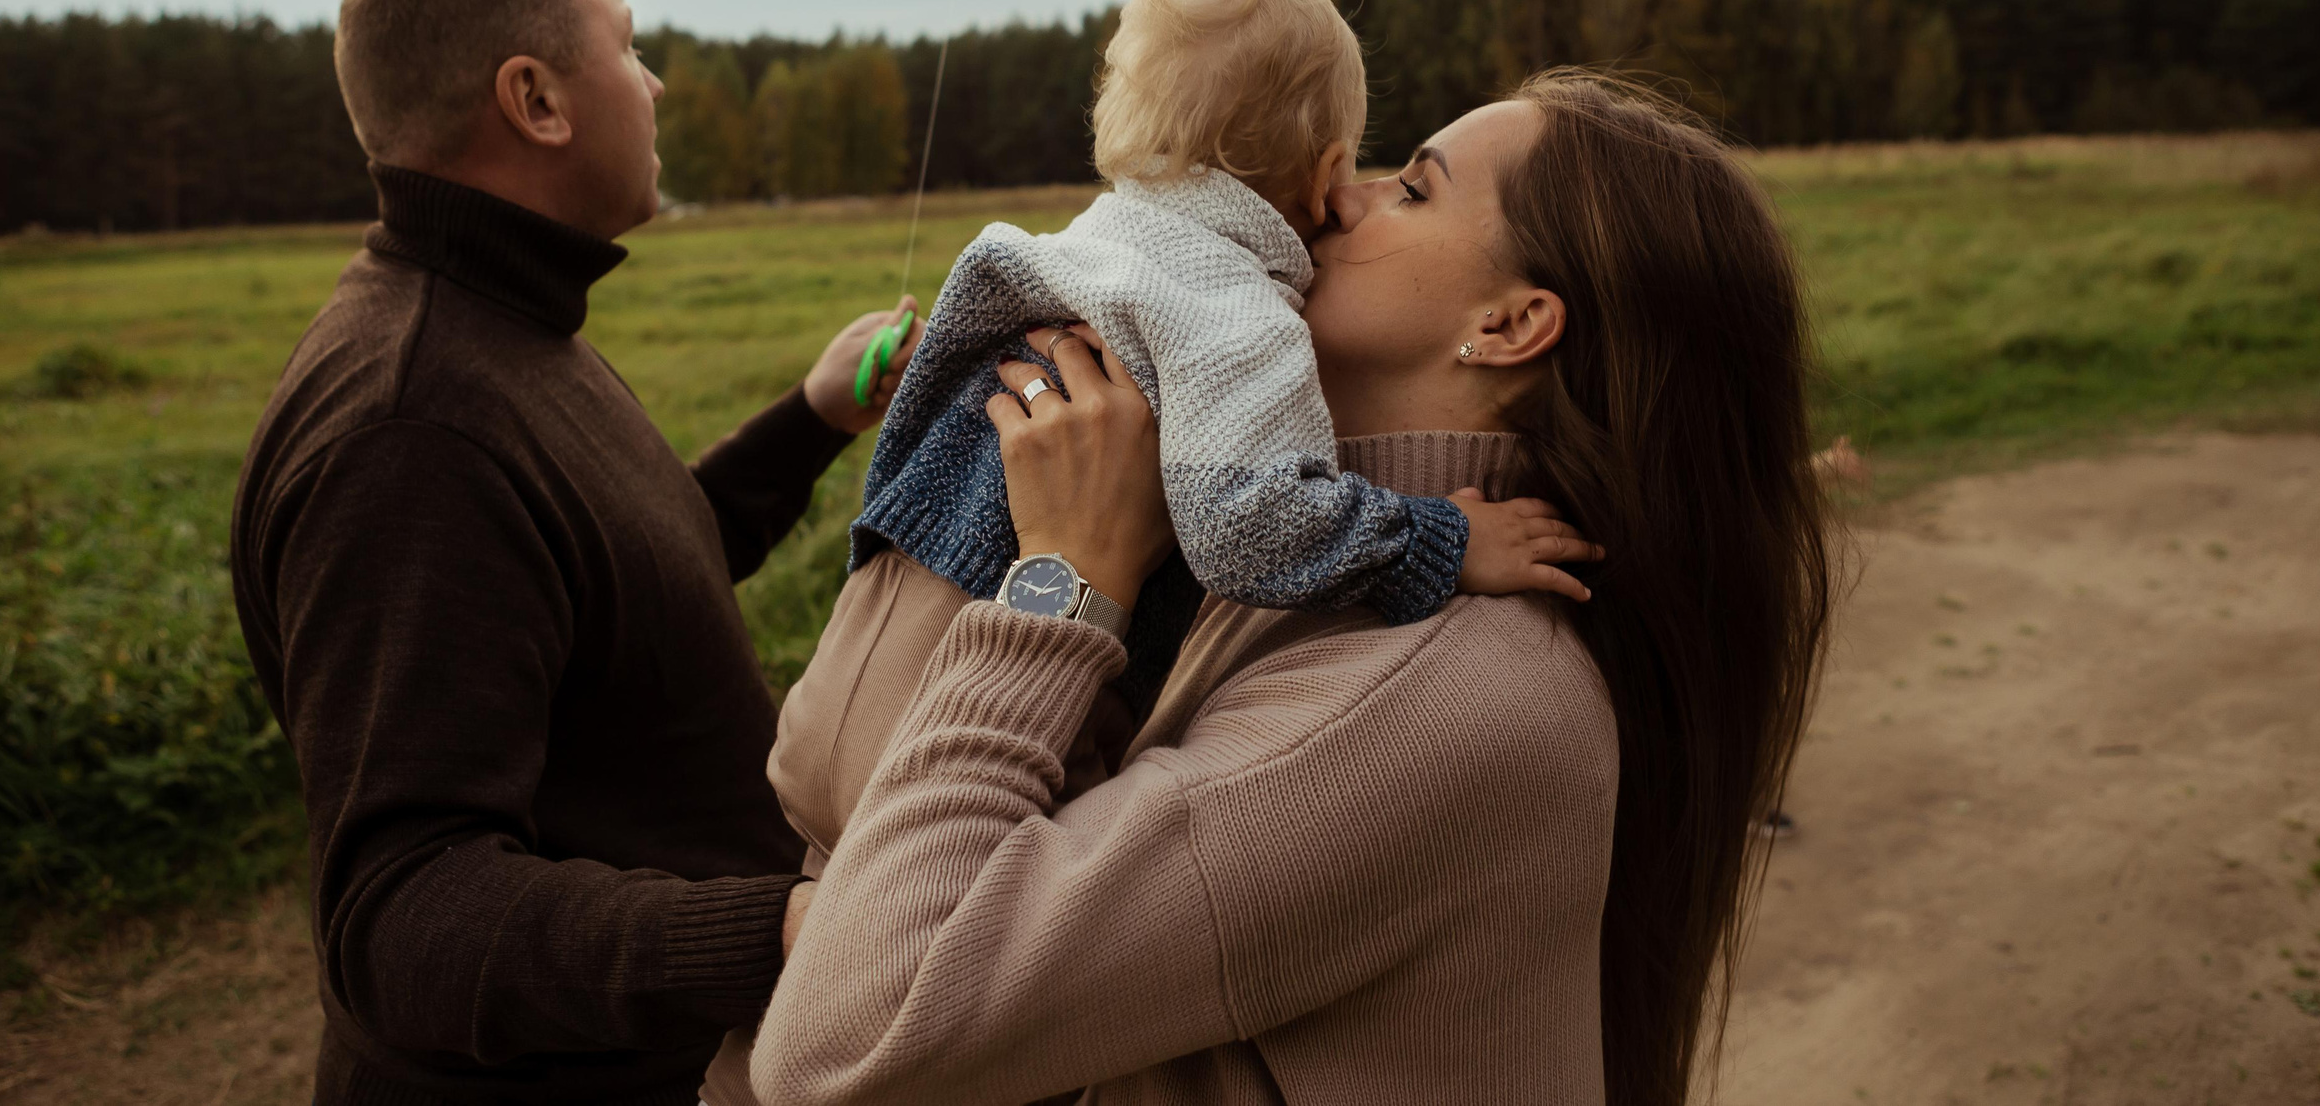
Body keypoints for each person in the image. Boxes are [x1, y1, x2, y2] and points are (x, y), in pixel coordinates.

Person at [740, 70, 1835, 1106]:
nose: (1340, 196)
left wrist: (1060, 583)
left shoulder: (1424, 696)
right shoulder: (1277, 566)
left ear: (1509, 326)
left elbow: (845, 1042)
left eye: (1411, 188)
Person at [229, 0, 918, 1106]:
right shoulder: (411, 432)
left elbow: (624, 578)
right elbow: (403, 917)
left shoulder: (498, 324)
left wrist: (813, 418)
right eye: (630, 47)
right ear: (536, 100)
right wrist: (783, 931)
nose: (656, 85)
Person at [834, 0, 1583, 769]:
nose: (1353, 201)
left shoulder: (1083, 248)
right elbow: (1245, 529)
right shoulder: (1240, 317)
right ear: (1324, 176)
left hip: (858, 647)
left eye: (1410, 190)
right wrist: (1437, 541)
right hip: (975, 706)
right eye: (1388, 178)